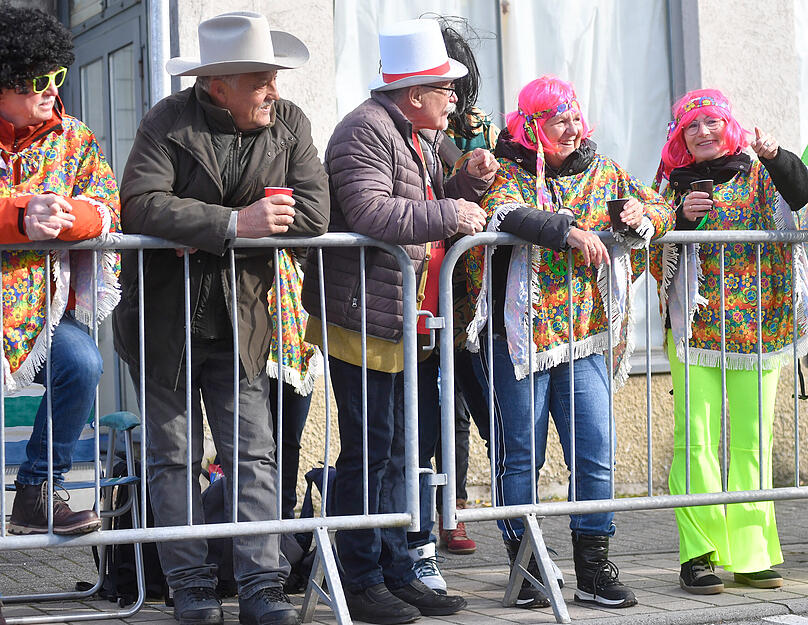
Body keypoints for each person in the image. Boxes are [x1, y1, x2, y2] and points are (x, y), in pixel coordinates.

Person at [112, 12, 329, 625]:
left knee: (254, 456)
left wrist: (208, 226)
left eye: (274, 77)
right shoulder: (167, 120)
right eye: (261, 80)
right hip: (163, 322)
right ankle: (191, 588)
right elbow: (140, 205)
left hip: (243, 322)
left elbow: (315, 212)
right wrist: (235, 223)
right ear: (219, 85)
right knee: (174, 458)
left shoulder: (289, 124)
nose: (274, 90)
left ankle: (263, 587)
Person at [301, 18, 495, 625]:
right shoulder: (364, 129)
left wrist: (464, 183)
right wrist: (452, 212)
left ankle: (394, 570)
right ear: (414, 93)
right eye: (446, 89)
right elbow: (370, 211)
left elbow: (422, 199)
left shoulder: (412, 132)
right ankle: (359, 578)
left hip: (400, 316)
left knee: (400, 448)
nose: (454, 101)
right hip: (363, 316)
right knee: (371, 450)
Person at [465, 74, 674, 609]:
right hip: (520, 339)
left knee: (596, 451)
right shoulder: (507, 167)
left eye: (576, 117)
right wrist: (567, 230)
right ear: (532, 125)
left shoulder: (603, 169)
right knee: (521, 456)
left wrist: (643, 215)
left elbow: (660, 205)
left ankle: (593, 568)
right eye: (560, 120)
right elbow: (504, 211)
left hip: (583, 338)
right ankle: (527, 564)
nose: (573, 128)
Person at [650, 88, 808, 595]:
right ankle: (698, 555)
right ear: (680, 136)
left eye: (712, 122)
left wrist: (776, 155)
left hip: (757, 328)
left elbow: (802, 196)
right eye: (691, 126)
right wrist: (680, 220)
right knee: (694, 441)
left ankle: (752, 554)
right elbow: (648, 255)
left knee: (752, 443)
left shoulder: (760, 171)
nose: (703, 132)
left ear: (729, 125)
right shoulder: (669, 182)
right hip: (694, 330)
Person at [0, 4, 120, 536]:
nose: (51, 89)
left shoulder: (75, 137)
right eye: (36, 80)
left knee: (82, 364)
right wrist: (19, 217)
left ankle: (36, 491)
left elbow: (108, 205)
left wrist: (69, 218)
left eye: (57, 75)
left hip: (41, 308)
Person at [405, 17, 499, 593]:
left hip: (467, 290)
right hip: (425, 286)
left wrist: (476, 173)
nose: (453, 95)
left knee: (465, 405)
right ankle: (424, 521)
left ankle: (455, 504)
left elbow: (481, 189)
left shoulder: (476, 126)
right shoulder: (402, 126)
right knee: (425, 407)